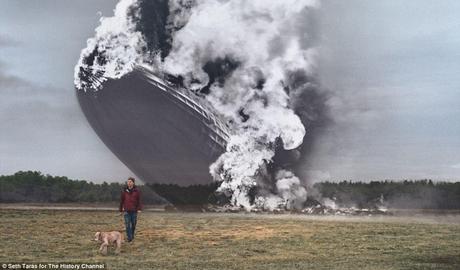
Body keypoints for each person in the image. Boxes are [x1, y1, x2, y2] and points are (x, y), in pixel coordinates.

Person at [119, 177, 142, 242]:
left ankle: (132, 235)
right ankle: (129, 238)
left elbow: (139, 200)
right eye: (128, 182)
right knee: (127, 224)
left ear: (133, 183)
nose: (128, 183)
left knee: (133, 224)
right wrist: (121, 210)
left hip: (134, 211)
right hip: (126, 211)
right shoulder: (124, 191)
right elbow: (121, 201)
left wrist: (139, 208)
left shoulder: (137, 191)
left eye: (130, 182)